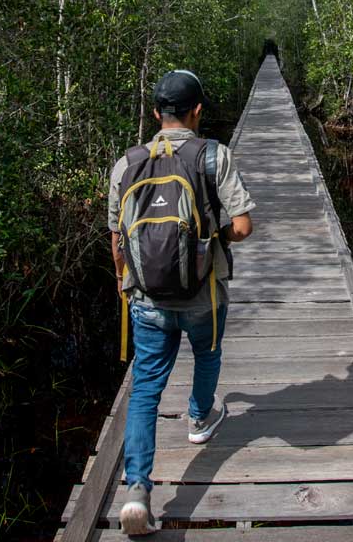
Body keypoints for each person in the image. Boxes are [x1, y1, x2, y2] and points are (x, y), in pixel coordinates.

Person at [107, 69, 255, 536]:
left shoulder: (127, 163)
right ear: (197, 112)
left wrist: (122, 281)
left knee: (145, 389)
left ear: (155, 113)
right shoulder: (213, 155)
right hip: (203, 293)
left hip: (146, 296)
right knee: (207, 353)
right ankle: (199, 416)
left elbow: (117, 238)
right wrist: (210, 239)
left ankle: (137, 491)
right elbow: (244, 227)